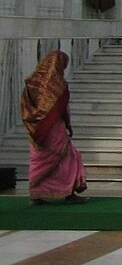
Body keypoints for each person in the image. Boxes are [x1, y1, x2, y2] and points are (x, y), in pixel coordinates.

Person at [21, 51, 88, 205]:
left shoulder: (31, 83)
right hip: (53, 130)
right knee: (70, 158)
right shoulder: (57, 84)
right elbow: (61, 108)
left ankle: (37, 194)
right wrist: (68, 125)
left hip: (36, 130)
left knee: (40, 161)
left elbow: (25, 108)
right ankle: (68, 193)